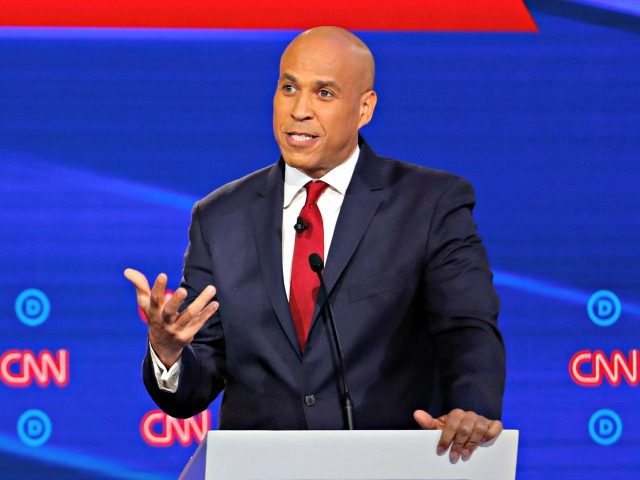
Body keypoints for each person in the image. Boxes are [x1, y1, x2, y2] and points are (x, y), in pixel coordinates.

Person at [125, 26, 505, 464]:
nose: (299, 110)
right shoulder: (219, 217)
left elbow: (466, 327)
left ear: (364, 108)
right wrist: (169, 352)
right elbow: (197, 381)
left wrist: (471, 409)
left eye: (324, 93)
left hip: (390, 467)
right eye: (288, 88)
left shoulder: (429, 204)